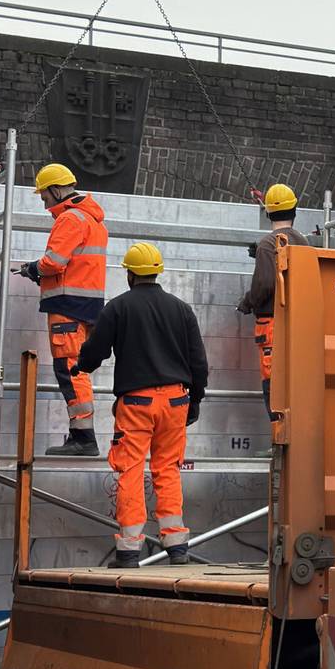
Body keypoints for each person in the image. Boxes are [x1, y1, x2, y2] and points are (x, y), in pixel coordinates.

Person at [73, 242, 208, 568]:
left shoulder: (118, 308)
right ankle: (177, 546)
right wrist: (195, 400)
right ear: (157, 272)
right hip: (176, 399)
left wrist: (81, 364)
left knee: (131, 469)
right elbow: (198, 362)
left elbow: (95, 353)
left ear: (130, 274)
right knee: (168, 468)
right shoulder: (181, 309)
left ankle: (129, 551)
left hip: (136, 403)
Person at [14, 163, 107, 457]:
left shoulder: (70, 218)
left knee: (69, 369)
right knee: (75, 368)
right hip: (86, 306)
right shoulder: (93, 220)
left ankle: (83, 438)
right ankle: (82, 435)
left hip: (68, 307)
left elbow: (54, 262)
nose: (44, 203)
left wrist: (33, 268)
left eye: (44, 196)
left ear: (56, 190)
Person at [237, 184, 308, 419]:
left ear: (268, 213)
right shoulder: (304, 243)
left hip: (271, 326)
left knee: (274, 388)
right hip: (298, 324)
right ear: (295, 210)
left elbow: (265, 284)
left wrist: (247, 302)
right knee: (294, 385)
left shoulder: (268, 244)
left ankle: (279, 435)